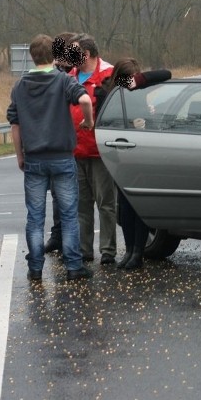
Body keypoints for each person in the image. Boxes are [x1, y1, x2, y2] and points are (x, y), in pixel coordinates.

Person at [6, 34, 93, 281]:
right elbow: (85, 99)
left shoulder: (20, 86)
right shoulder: (63, 80)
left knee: (35, 217)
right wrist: (88, 120)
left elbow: (15, 124)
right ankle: (74, 266)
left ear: (33, 57)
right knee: (68, 214)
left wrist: (19, 155)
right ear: (54, 56)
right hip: (62, 157)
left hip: (34, 158)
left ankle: (35, 267)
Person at [94, 58, 172, 269]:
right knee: (126, 207)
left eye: (135, 79)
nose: (132, 84)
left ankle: (137, 252)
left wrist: (139, 80)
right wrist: (130, 123)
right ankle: (129, 250)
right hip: (119, 153)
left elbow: (166, 74)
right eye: (129, 79)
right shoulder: (106, 93)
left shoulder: (137, 89)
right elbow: (104, 121)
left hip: (138, 152)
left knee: (137, 205)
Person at [68, 34, 117, 265]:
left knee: (106, 204)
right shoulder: (70, 77)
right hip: (76, 152)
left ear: (85, 54)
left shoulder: (110, 74)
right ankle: (84, 250)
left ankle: (108, 250)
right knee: (81, 206)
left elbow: (135, 93)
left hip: (101, 153)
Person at [44, 31, 80, 255]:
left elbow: (121, 81)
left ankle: (82, 243)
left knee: (84, 198)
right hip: (59, 144)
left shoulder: (90, 71)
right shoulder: (51, 75)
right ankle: (58, 235)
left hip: (87, 146)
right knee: (58, 195)